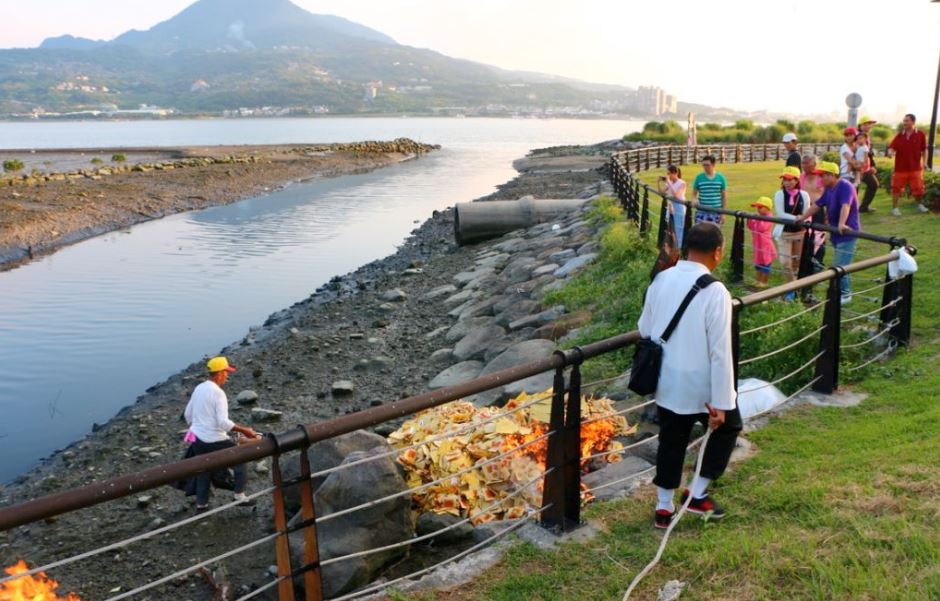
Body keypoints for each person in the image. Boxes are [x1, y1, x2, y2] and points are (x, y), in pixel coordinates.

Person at [637, 222, 741, 529]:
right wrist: (722, 400)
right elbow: (721, 350)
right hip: (701, 384)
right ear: (718, 252)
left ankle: (664, 507)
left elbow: (645, 329)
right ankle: (696, 494)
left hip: (667, 379)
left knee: (671, 439)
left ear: (685, 248)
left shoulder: (661, 279)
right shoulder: (715, 290)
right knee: (728, 427)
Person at [184, 356, 261, 511]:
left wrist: (199, 426)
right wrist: (246, 430)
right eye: (226, 373)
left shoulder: (199, 388)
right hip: (214, 439)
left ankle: (202, 504)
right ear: (219, 373)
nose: (227, 376)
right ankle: (239, 496)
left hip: (196, 438)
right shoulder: (218, 393)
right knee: (240, 460)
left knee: (204, 469)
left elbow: (188, 415)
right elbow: (223, 424)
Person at [798, 161, 861, 305]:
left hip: (847, 232)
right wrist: (802, 217)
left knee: (839, 265)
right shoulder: (829, 189)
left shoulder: (845, 186)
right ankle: (841, 292)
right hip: (836, 233)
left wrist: (841, 223)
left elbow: (846, 205)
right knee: (841, 263)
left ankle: (846, 294)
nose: (821, 179)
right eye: (820, 175)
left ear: (833, 175)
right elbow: (817, 205)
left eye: (824, 175)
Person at [773, 166, 810, 293]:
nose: (787, 183)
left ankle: (793, 287)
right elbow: (780, 213)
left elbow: (807, 211)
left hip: (799, 232)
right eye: (784, 179)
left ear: (796, 180)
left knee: (796, 261)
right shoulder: (779, 194)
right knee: (784, 262)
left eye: (790, 180)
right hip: (785, 232)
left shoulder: (804, 195)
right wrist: (797, 218)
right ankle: (792, 288)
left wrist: (802, 218)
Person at [888, 113, 929, 216]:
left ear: (913, 122)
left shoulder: (920, 134)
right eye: (904, 120)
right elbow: (892, 147)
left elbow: (924, 150)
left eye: (907, 121)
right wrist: (890, 152)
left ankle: (919, 205)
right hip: (900, 168)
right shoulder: (899, 135)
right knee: (896, 188)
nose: (904, 123)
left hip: (915, 168)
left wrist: (924, 162)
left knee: (919, 189)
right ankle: (895, 208)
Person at [748, 197, 777, 287]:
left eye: (760, 207)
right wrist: (750, 219)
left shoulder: (769, 217)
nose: (758, 209)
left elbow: (762, 228)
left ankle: (763, 282)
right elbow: (751, 227)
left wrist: (757, 219)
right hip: (758, 245)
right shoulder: (760, 217)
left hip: (766, 246)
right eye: (757, 207)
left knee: (765, 265)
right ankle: (758, 280)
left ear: (768, 208)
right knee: (758, 264)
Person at [657, 164, 687, 249]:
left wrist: (669, 183)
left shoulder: (682, 183)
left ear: (675, 173)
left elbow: (676, 195)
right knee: (670, 228)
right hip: (671, 207)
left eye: (669, 173)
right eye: (667, 173)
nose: (668, 175)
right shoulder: (669, 183)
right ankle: (671, 247)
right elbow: (661, 193)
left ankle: (678, 249)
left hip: (679, 208)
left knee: (678, 229)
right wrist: (658, 182)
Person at [691, 156, 727, 224]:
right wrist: (694, 199)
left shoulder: (721, 178)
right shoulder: (699, 177)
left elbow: (724, 197)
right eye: (703, 165)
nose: (705, 167)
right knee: (700, 233)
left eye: (707, 165)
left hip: (716, 212)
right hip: (702, 211)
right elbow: (694, 193)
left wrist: (723, 213)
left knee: (714, 233)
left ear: (713, 165)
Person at [854, 131, 878, 213]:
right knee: (855, 188)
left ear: (865, 139)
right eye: (858, 138)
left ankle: (864, 207)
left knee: (874, 184)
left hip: (863, 170)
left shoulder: (865, 147)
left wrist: (863, 169)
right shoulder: (857, 146)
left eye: (861, 138)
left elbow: (866, 160)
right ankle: (857, 207)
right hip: (856, 169)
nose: (859, 140)